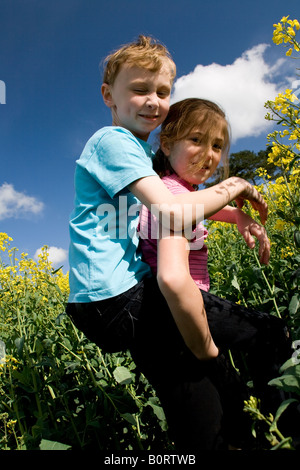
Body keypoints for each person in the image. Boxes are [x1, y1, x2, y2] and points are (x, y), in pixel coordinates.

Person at [66, 36, 290, 450]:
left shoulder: (134, 156)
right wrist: (236, 185)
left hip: (113, 304)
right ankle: (284, 428)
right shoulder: (112, 142)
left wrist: (233, 213)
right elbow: (171, 213)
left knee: (200, 416)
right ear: (108, 96)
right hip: (118, 299)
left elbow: (176, 201)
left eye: (163, 92)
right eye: (139, 89)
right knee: (265, 334)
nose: (153, 100)